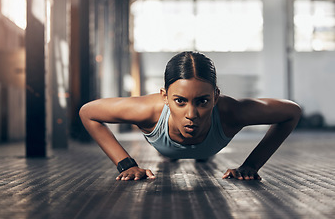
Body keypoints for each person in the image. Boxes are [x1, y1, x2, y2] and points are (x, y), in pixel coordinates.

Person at [79, 51, 301, 181]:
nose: (191, 114)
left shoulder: (232, 112)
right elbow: (88, 112)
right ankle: (176, 155)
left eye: (202, 101)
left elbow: (291, 111)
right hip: (167, 145)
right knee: (171, 156)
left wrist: (252, 165)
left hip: (209, 144)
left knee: (203, 156)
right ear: (165, 97)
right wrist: (126, 164)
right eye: (180, 101)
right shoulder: (147, 110)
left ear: (216, 97)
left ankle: (199, 154)